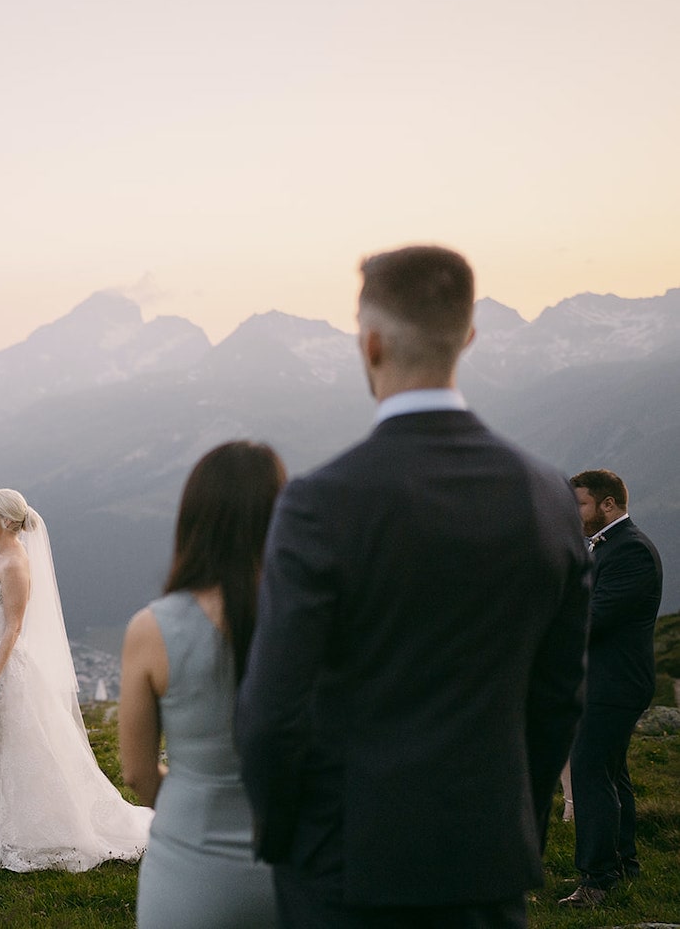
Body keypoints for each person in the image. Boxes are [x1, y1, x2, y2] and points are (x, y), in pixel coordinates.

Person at [235, 245, 591, 928]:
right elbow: (557, 701)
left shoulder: (322, 501)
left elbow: (271, 711)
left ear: (369, 344)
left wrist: (289, 845)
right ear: (469, 338)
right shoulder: (546, 493)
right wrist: (516, 836)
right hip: (487, 863)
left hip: (346, 865)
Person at [0, 488, 152, 873]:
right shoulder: (0, 556)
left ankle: (33, 829)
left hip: (2, 665)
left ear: (8, 521)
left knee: (13, 746)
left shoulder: (16, 564)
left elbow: (13, 627)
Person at [120, 441, 283, 928]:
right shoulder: (311, 616)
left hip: (190, 867)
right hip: (291, 864)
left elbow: (137, 774)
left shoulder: (151, 629)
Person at [561, 469, 663, 909]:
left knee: (588, 771)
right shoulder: (606, 545)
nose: (573, 513)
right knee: (610, 772)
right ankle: (624, 864)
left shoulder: (631, 551)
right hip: (604, 680)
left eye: (580, 504)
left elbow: (591, 619)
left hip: (614, 681)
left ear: (607, 504)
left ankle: (597, 880)